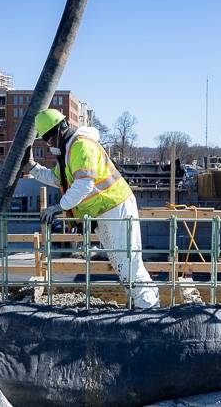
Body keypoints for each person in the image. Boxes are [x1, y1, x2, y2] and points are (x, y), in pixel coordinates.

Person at [28, 109, 160, 308]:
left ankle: (148, 306)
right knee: (120, 262)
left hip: (115, 207)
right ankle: (140, 305)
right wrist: (33, 168)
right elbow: (59, 179)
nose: (48, 146)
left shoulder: (81, 146)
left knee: (128, 261)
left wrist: (58, 207)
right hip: (106, 210)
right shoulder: (70, 151)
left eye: (47, 140)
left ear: (55, 134)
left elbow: (84, 184)